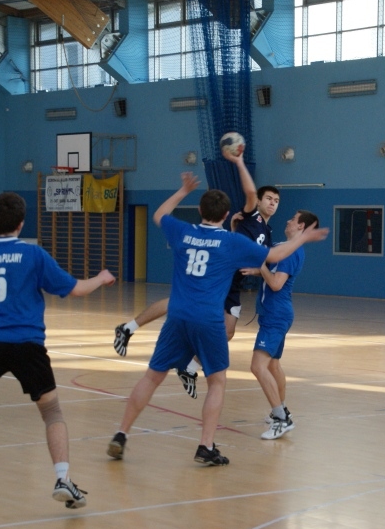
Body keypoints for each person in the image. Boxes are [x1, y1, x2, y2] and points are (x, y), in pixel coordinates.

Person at [106, 173, 327, 464]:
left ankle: (121, 433)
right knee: (217, 383)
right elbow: (274, 256)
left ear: (200, 210)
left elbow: (159, 214)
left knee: (151, 377)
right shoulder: (231, 242)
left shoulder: (183, 232)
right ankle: (206, 446)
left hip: (177, 317)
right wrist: (304, 238)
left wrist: (183, 190)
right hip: (208, 320)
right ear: (226, 215)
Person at [0, 192, 116, 517]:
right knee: (52, 412)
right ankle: (62, 479)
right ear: (21, 223)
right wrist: (101, 278)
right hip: (27, 344)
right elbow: (76, 289)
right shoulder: (33, 255)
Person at [112, 151, 280, 397]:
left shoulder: (267, 231)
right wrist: (239, 162)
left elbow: (257, 257)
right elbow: (250, 194)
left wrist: (257, 268)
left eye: (276, 200)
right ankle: (128, 328)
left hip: (233, 282)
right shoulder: (250, 215)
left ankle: (189, 368)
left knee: (228, 331)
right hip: (217, 272)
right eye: (269, 198)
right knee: (178, 303)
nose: (273, 203)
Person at [241, 210, 318, 440]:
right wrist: (259, 270)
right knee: (273, 365)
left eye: (293, 219)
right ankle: (281, 409)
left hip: (276, 315)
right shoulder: (284, 247)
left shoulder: (291, 251)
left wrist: (261, 267)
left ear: (301, 226)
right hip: (275, 314)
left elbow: (275, 284)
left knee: (257, 367)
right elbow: (270, 271)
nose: (288, 220)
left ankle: (282, 419)